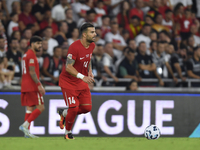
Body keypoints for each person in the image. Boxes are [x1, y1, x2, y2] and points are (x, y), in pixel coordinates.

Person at [58, 23, 96, 140]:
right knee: (74, 108)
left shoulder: (92, 45)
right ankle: (68, 132)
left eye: (94, 32)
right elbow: (68, 67)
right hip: (68, 82)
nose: (95, 34)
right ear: (84, 35)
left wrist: (89, 70)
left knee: (86, 108)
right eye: (92, 32)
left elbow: (88, 59)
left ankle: (64, 113)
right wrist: (82, 76)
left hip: (81, 81)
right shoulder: (74, 47)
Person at [19, 36, 45, 138]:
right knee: (41, 107)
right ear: (32, 44)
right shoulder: (31, 55)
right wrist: (39, 85)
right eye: (38, 43)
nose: (40, 46)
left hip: (25, 85)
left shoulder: (26, 55)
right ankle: (25, 125)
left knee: (30, 108)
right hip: (32, 86)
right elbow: (32, 71)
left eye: (41, 44)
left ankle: (27, 133)